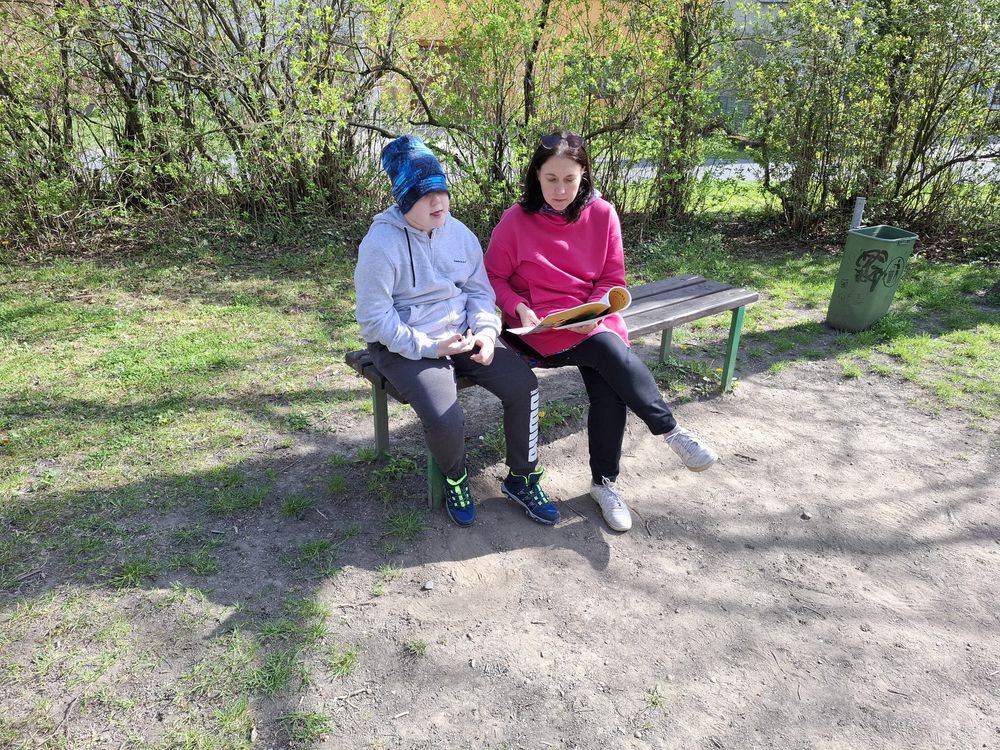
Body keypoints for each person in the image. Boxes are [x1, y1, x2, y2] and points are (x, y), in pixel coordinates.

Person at [485, 131, 719, 533]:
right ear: (536, 175)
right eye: (551, 179)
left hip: (589, 322)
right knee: (609, 355)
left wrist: (596, 310)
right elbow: (493, 277)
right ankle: (670, 432)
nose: (560, 190)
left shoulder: (603, 214)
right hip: (537, 328)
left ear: (584, 176)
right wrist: (516, 305)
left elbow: (612, 279)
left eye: (570, 180)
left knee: (609, 380)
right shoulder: (516, 219)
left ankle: (604, 485)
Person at [354, 135, 559, 527]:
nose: (438, 202)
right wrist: (432, 347)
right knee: (446, 417)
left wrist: (486, 332)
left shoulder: (460, 234)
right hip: (404, 345)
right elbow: (375, 319)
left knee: (524, 386)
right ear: (403, 199)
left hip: (463, 334)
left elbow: (479, 292)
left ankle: (522, 477)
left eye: (441, 191)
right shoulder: (379, 245)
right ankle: (455, 477)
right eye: (424, 194)